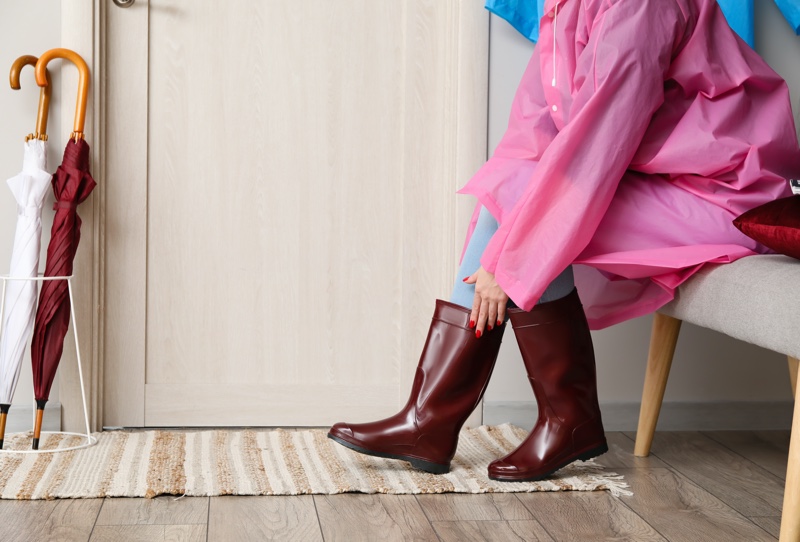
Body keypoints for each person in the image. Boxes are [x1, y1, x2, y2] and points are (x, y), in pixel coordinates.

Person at [328, 0, 800, 481]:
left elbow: (598, 142)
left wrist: (510, 255)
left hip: (725, 194)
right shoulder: (563, 4)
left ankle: (489, 419)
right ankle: (440, 418)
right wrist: (504, 244)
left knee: (542, 219)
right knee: (508, 192)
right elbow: (530, 141)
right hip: (666, 177)